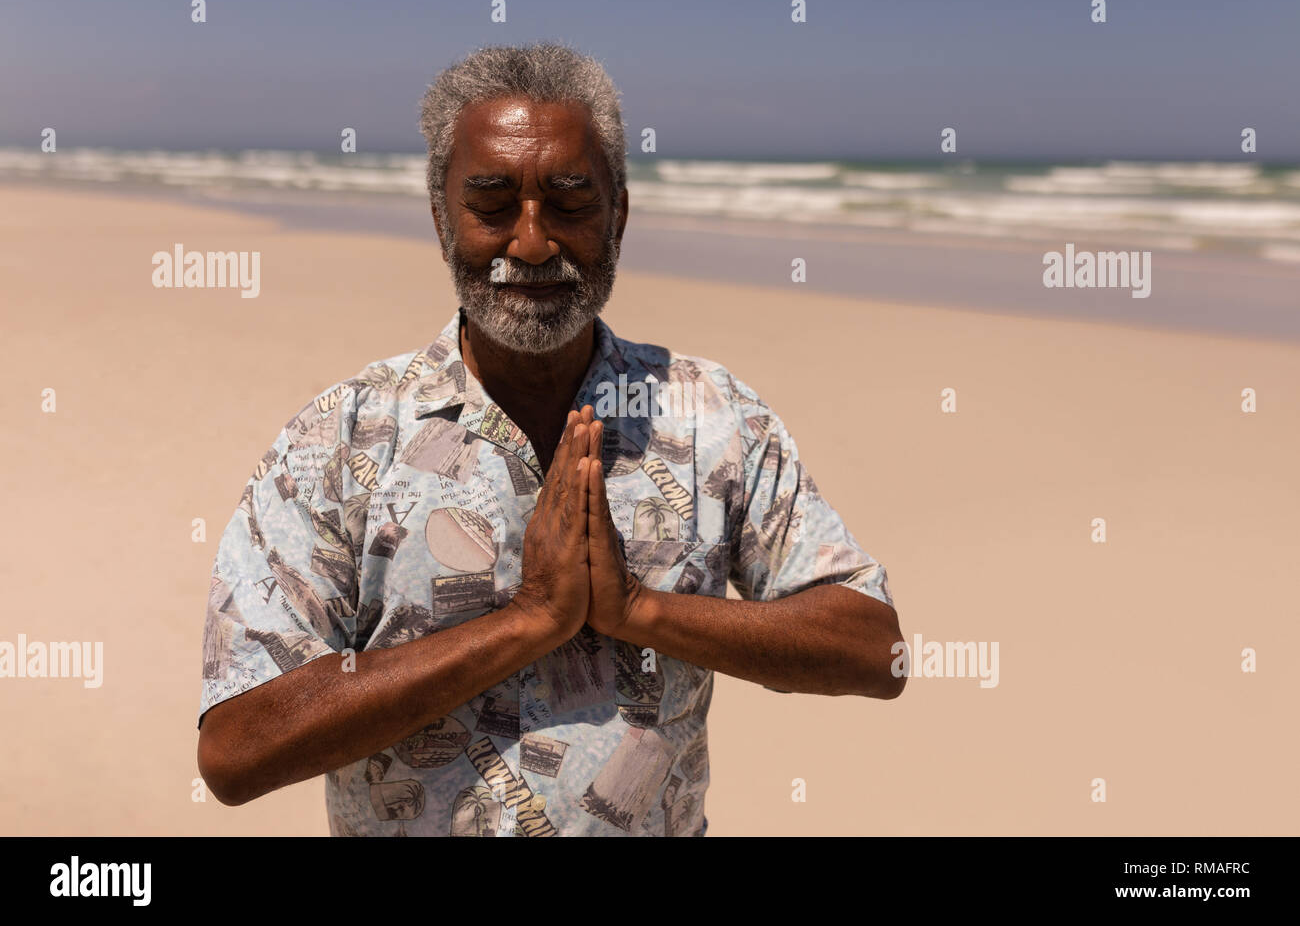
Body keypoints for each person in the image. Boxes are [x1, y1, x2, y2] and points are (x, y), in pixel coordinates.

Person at [196, 42, 903, 836]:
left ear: (620, 217)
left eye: (569, 202)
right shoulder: (339, 438)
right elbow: (235, 747)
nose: (532, 244)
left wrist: (640, 611)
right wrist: (526, 619)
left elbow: (874, 649)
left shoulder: (711, 418)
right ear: (440, 221)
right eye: (492, 203)